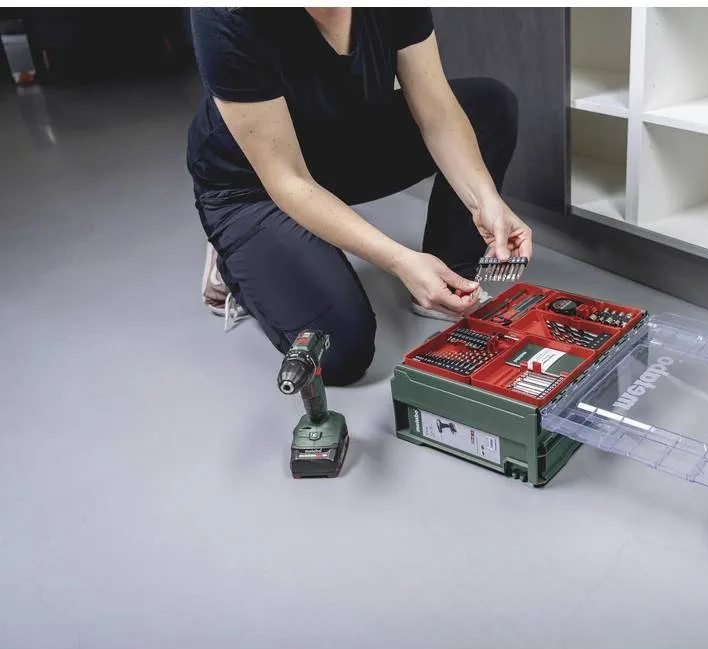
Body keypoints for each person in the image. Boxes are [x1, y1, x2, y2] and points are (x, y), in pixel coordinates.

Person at [187, 7, 533, 385]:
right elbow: (288, 179)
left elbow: (437, 111)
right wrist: (401, 261)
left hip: (339, 139)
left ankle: (448, 278)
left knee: (488, 107)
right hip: (254, 183)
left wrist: (485, 200)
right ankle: (235, 263)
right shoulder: (228, 15)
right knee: (338, 350)